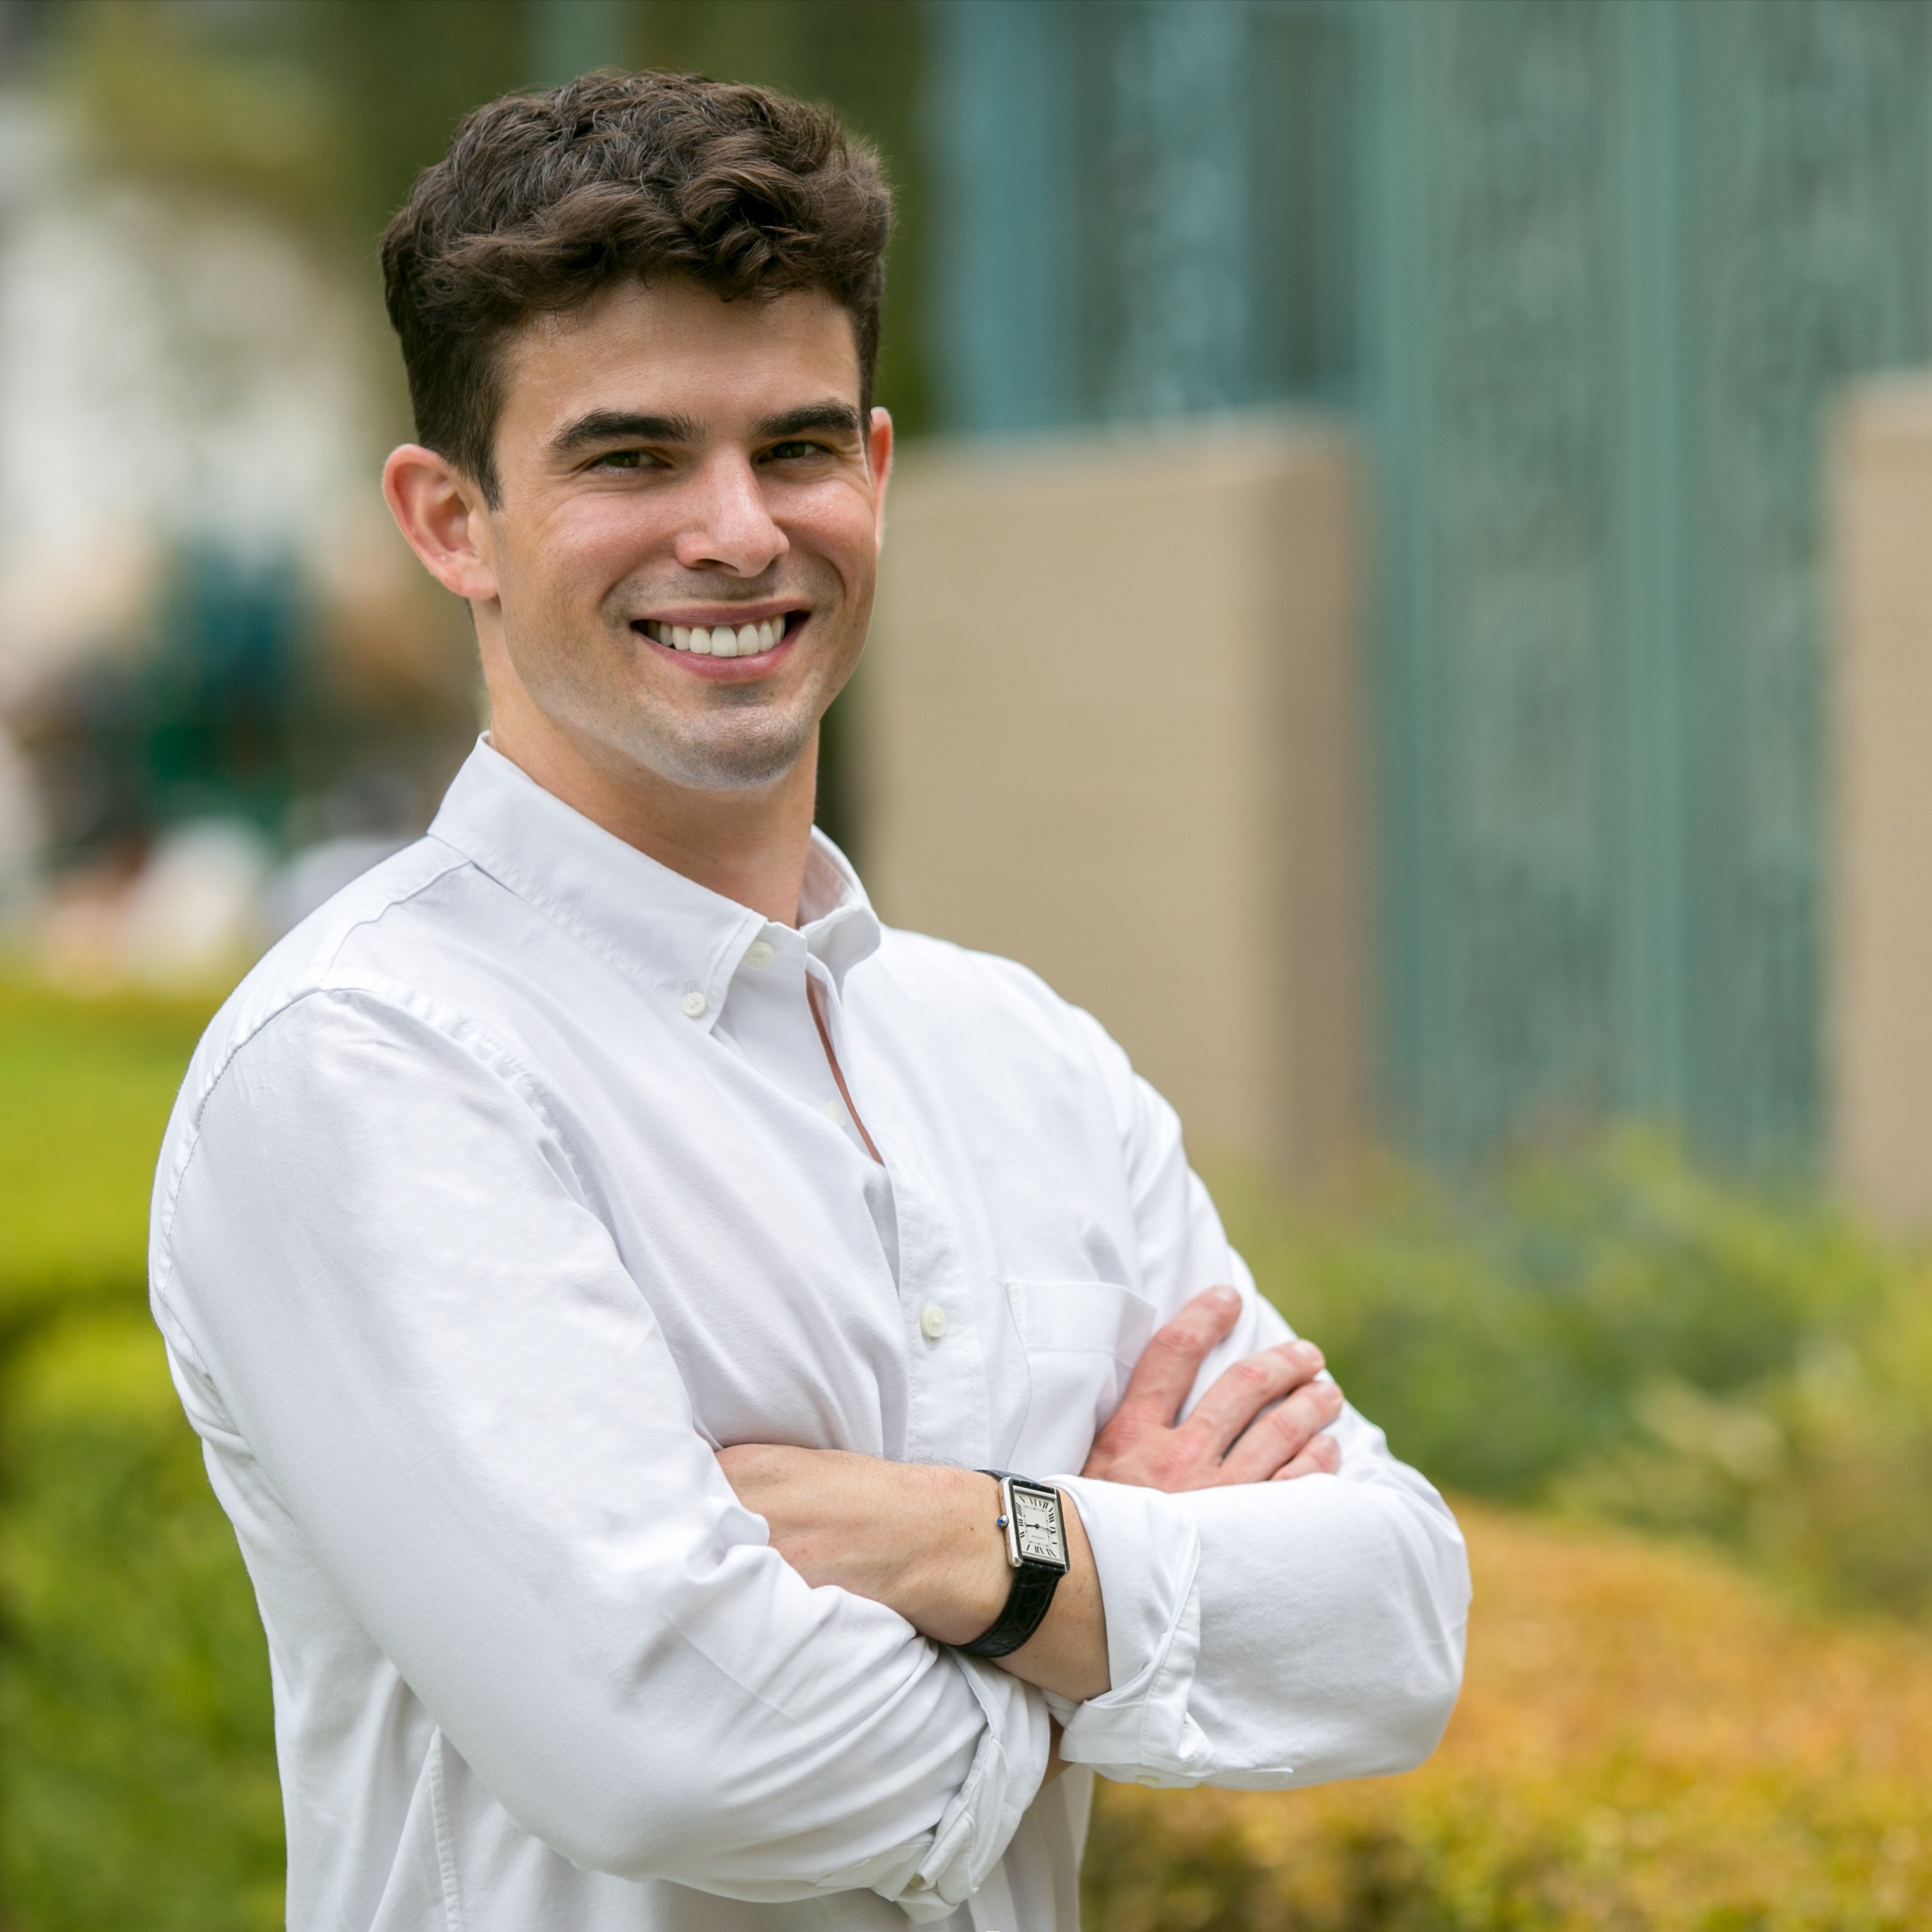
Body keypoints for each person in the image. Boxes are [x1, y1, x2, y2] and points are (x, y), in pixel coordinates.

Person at [149, 70, 1469, 1932]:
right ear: (452, 520)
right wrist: (1116, 1619)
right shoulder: (371, 1066)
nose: (740, 533)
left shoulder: (1021, 1059)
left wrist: (965, 1544)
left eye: (794, 448)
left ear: (878, 466)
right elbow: (678, 1748)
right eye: (629, 461)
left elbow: (1397, 1624)